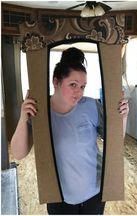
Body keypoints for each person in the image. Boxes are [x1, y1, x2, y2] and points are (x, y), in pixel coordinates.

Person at [11, 47, 129, 214]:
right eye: (73, 84)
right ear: (56, 82)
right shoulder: (40, 112)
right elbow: (18, 153)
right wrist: (24, 118)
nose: (79, 92)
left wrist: (122, 117)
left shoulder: (92, 106)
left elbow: (115, 141)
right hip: (59, 197)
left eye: (82, 86)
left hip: (95, 193)